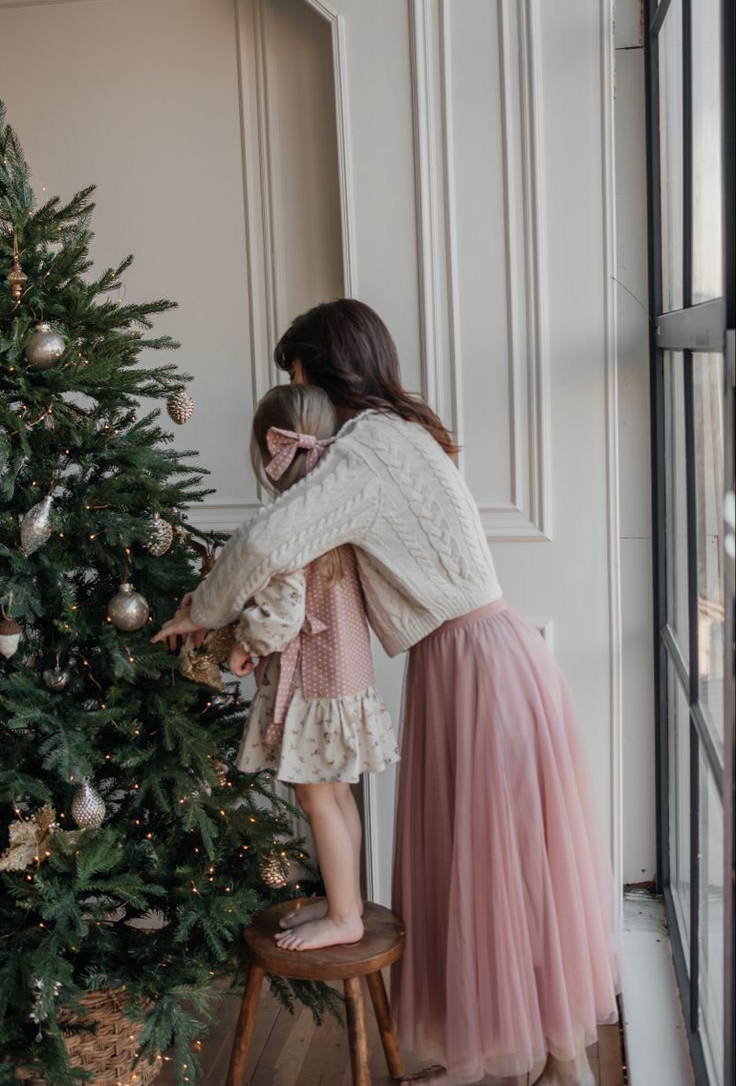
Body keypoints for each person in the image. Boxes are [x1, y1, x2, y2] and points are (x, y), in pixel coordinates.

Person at [152, 299, 620, 1086]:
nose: (303, 405)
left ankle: (558, 1069)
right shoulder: (403, 435)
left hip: (474, 668)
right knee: (514, 870)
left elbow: (268, 539)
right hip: (494, 657)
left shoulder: (361, 453)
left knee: (501, 871)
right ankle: (554, 1063)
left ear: (325, 372)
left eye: (300, 380)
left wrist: (199, 610)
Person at [226, 383, 399, 951]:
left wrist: (243, 644)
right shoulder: (337, 513)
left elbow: (280, 614)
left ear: (268, 451)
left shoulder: (291, 524)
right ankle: (341, 898)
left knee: (315, 797)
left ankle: (345, 915)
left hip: (313, 685)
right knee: (337, 793)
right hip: (345, 679)